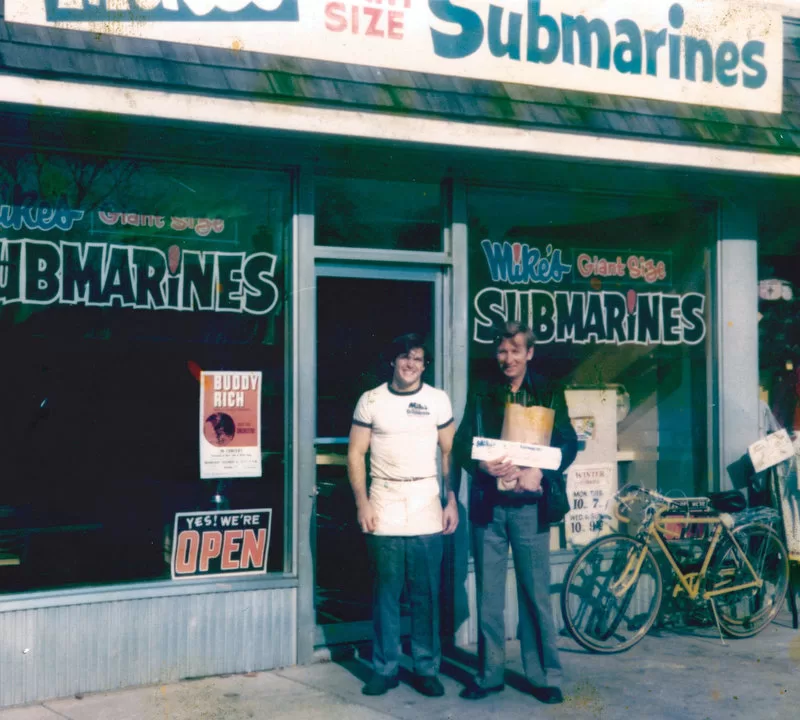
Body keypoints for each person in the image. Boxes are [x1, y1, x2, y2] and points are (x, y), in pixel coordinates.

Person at [453, 321, 577, 705]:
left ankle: (542, 675)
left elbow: (569, 443)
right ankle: (489, 674)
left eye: (515, 351)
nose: (507, 359)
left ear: (529, 353)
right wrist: (482, 466)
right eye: (502, 352)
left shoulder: (549, 390)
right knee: (489, 595)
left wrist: (542, 469)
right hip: (490, 508)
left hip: (529, 508)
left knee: (535, 592)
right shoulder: (483, 391)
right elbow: (461, 445)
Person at [348, 333, 458, 698]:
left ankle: (426, 668)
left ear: (425, 365)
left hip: (427, 498)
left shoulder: (438, 400)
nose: (411, 364)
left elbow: (448, 454)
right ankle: (385, 667)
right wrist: (363, 503)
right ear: (393, 360)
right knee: (386, 592)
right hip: (385, 498)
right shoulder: (372, 400)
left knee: (426, 592)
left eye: (418, 359)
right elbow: (355, 455)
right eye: (405, 357)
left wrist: (451, 500)